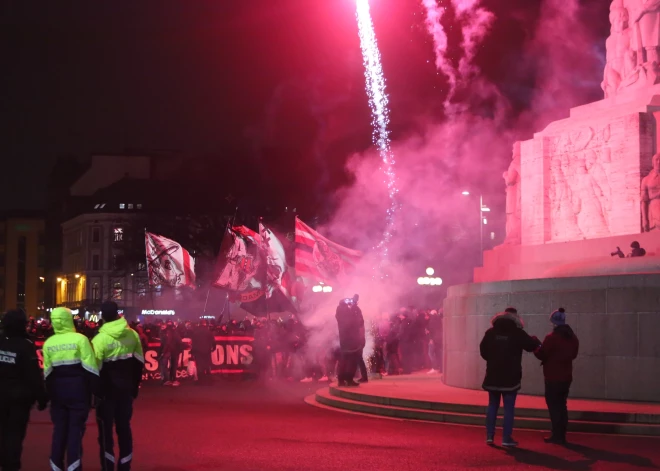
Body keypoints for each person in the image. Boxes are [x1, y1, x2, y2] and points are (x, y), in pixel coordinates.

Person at [43, 307, 99, 471]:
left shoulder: (49, 343)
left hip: (58, 394)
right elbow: (91, 368)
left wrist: (48, 395)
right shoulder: (80, 339)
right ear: (70, 320)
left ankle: (56, 466)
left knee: (59, 431)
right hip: (78, 392)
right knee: (75, 432)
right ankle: (74, 467)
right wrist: (96, 393)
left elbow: (47, 374)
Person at [92, 302, 144, 470]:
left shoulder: (99, 339)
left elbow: (95, 370)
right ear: (117, 314)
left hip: (107, 394)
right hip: (126, 391)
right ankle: (125, 465)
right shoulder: (132, 335)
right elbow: (139, 363)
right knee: (124, 429)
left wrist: (97, 394)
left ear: (103, 316)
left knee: (106, 434)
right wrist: (135, 387)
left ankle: (108, 466)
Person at [479, 309, 540, 447]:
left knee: (492, 405)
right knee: (508, 408)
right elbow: (531, 346)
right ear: (515, 318)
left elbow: (483, 350)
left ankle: (489, 436)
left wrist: (493, 360)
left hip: (493, 375)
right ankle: (506, 438)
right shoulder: (517, 332)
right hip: (511, 377)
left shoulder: (490, 332)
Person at [0, 309, 48, 471]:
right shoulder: (25, 345)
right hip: (19, 399)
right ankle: (10, 466)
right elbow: (33, 375)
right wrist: (41, 397)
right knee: (14, 435)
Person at [534, 308, 580, 445]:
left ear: (554, 322)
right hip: (566, 376)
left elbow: (542, 354)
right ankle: (562, 435)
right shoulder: (573, 338)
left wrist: (537, 346)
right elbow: (574, 355)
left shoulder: (551, 337)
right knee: (562, 406)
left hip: (552, 377)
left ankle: (556, 435)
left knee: (554, 406)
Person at [335, 294, 365, 387]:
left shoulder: (339, 312)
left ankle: (341, 379)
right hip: (352, 340)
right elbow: (358, 323)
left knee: (344, 359)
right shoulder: (351, 311)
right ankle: (349, 379)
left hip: (344, 340)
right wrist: (354, 306)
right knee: (352, 360)